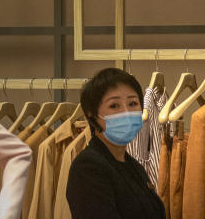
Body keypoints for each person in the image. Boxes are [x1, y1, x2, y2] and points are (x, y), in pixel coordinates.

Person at [66, 68, 166, 219]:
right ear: (92, 115)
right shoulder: (88, 168)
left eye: (133, 103)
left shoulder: (133, 166)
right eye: (114, 106)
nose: (126, 112)